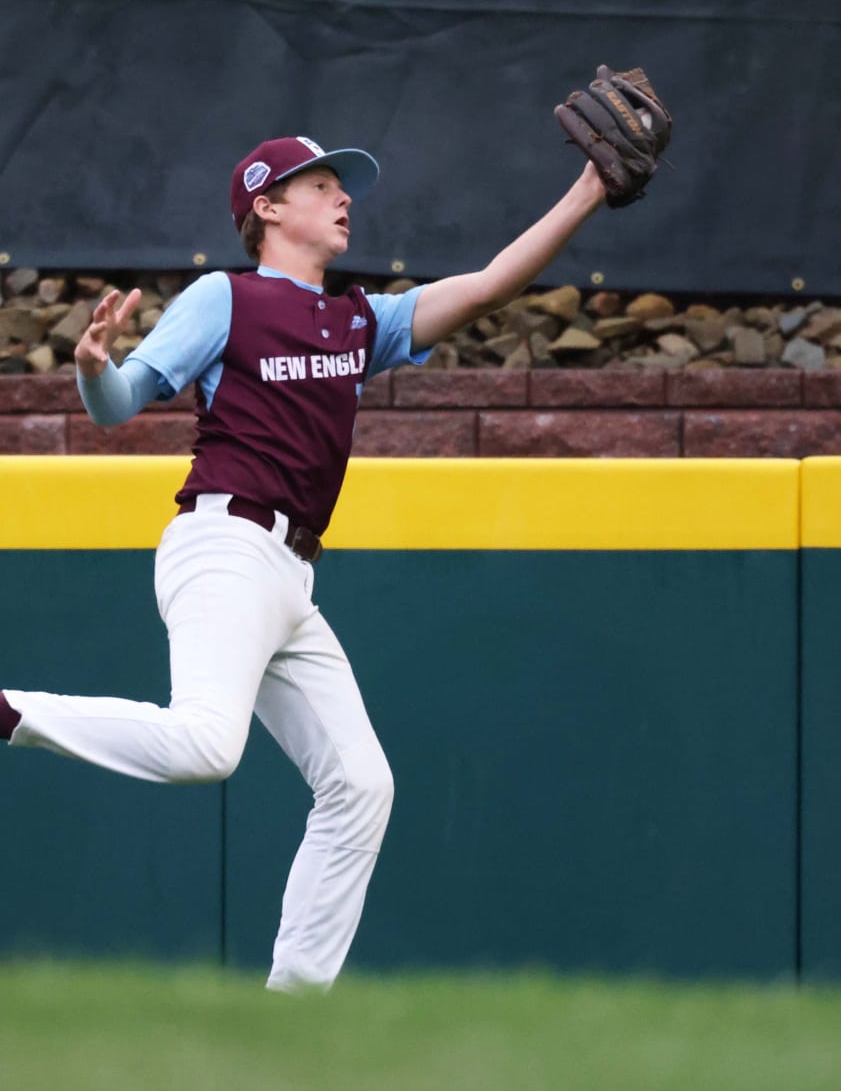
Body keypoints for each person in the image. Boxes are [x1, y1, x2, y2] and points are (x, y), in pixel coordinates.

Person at [0, 135, 607, 992]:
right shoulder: (228, 298)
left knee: (362, 785)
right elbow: (119, 406)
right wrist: (95, 368)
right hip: (224, 546)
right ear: (267, 208)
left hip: (289, 577)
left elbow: (490, 283)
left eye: (342, 186)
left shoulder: (361, 317)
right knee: (209, 744)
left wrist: (587, 189)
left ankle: (291, 1009)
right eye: (321, 185)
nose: (343, 198)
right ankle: (8, 711)